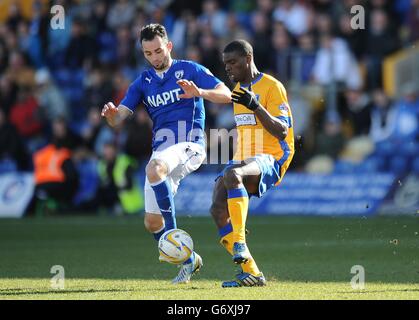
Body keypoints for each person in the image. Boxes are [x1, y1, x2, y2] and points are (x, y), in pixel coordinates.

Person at [101, 23, 231, 284]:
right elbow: (119, 119)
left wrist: (200, 92)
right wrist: (113, 117)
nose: (155, 57)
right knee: (151, 222)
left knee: (154, 169)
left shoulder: (190, 70)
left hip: (190, 144)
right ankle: (189, 259)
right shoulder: (142, 83)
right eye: (148, 53)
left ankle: (174, 235)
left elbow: (226, 94)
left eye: (158, 51)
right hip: (162, 151)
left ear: (168, 46)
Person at [210, 39, 295, 287]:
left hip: (273, 156)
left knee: (233, 175)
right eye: (225, 64)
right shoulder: (236, 90)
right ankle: (253, 274)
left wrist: (255, 105)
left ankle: (239, 241)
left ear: (248, 58)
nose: (228, 68)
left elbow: (281, 131)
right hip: (245, 158)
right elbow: (246, 132)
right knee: (217, 209)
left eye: (233, 62)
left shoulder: (272, 86)